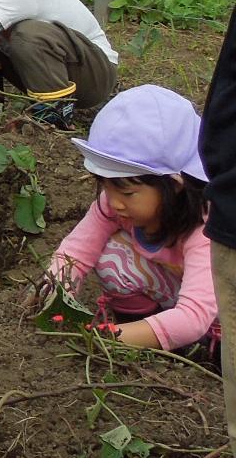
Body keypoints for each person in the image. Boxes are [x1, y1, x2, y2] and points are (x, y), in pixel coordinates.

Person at [40, 85, 217, 354]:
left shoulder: (205, 228)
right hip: (178, 294)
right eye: (105, 186)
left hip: (220, 314)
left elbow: (193, 317)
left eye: (127, 192)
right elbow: (75, 252)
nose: (113, 202)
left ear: (175, 185)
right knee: (112, 254)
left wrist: (107, 339)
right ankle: (142, 330)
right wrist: (52, 291)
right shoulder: (116, 203)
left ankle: (197, 347)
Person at [173, 0, 236, 443]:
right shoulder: (118, 209)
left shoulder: (196, 228)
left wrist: (127, 338)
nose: (114, 200)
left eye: (128, 186)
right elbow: (78, 249)